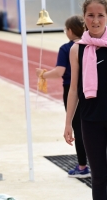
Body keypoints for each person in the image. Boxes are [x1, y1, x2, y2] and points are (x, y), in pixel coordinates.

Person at [36, 15, 90, 178]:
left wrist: (43, 75)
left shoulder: (67, 48)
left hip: (72, 89)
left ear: (70, 30)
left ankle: (82, 166)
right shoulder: (91, 45)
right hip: (91, 90)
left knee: (77, 127)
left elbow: (60, 71)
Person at [64, 0, 107, 199]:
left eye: (101, 15)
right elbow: (73, 89)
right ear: (84, 17)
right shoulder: (76, 49)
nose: (95, 20)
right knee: (98, 176)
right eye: (91, 15)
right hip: (90, 120)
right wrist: (68, 123)